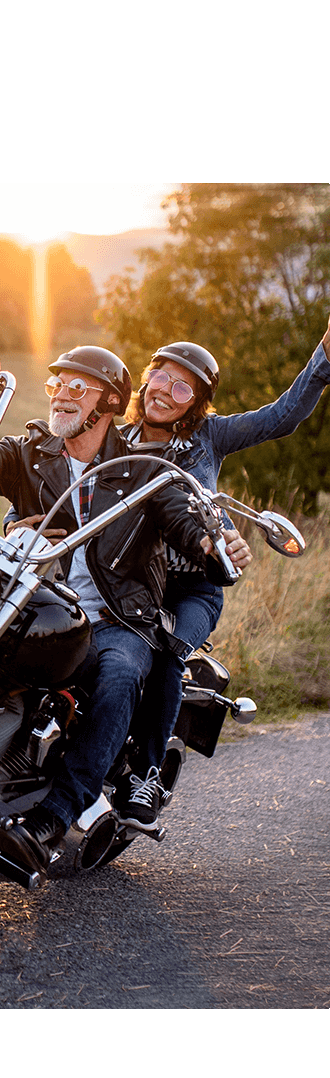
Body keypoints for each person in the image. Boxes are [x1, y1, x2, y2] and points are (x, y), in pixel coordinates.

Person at [0, 346, 248, 875]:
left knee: (120, 673)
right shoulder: (33, 454)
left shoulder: (143, 471)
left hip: (115, 619)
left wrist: (213, 542)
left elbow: (183, 520)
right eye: (57, 384)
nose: (62, 394)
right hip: (39, 609)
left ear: (108, 403)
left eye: (77, 386)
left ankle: (54, 816)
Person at [113, 317, 330, 827]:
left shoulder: (210, 436)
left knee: (169, 651)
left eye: (182, 385)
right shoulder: (115, 439)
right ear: (147, 380)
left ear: (197, 402)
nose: (166, 389)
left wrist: (323, 357)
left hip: (192, 587)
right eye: (161, 375)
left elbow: (282, 417)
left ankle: (145, 776)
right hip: (125, 580)